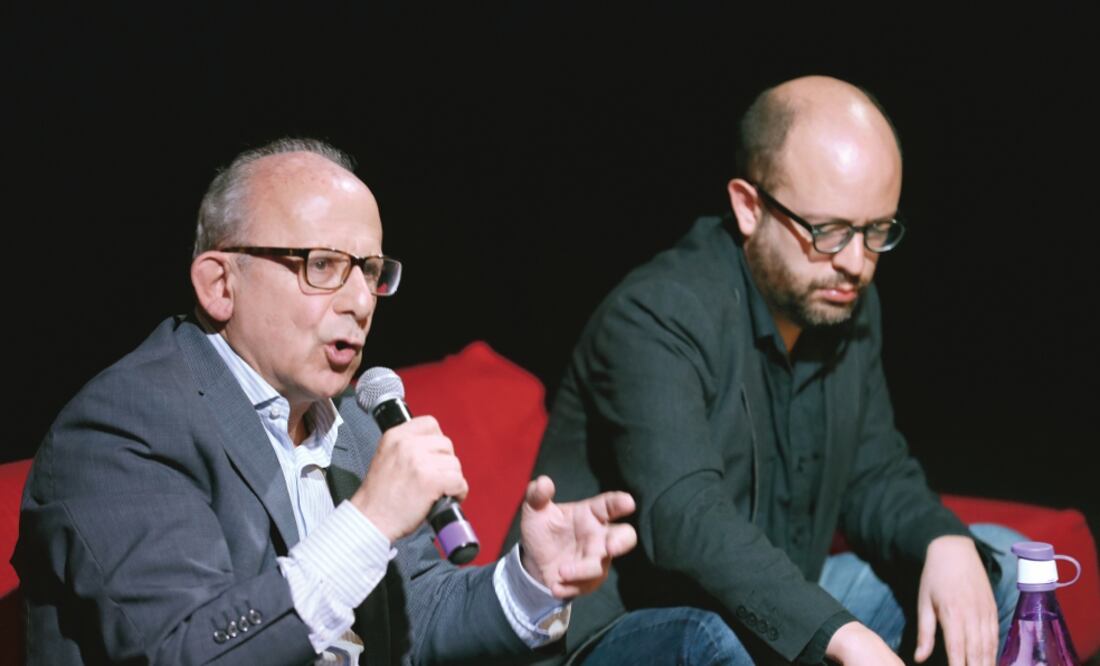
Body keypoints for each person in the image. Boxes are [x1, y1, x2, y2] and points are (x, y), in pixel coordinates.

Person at [13, 138, 638, 665]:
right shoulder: (121, 428)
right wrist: (367, 521)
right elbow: (189, 649)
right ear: (219, 284)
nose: (361, 302)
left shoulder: (355, 426)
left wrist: (532, 581)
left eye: (369, 270)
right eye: (322, 265)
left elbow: (419, 614)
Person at [508, 76, 1021, 665]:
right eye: (829, 232)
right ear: (749, 207)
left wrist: (942, 538)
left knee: (995, 565)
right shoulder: (656, 313)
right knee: (716, 641)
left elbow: (874, 475)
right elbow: (685, 518)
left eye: (877, 231)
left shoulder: (843, 304)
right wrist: (841, 635)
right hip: (626, 635)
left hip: (762, 612)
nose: (856, 263)